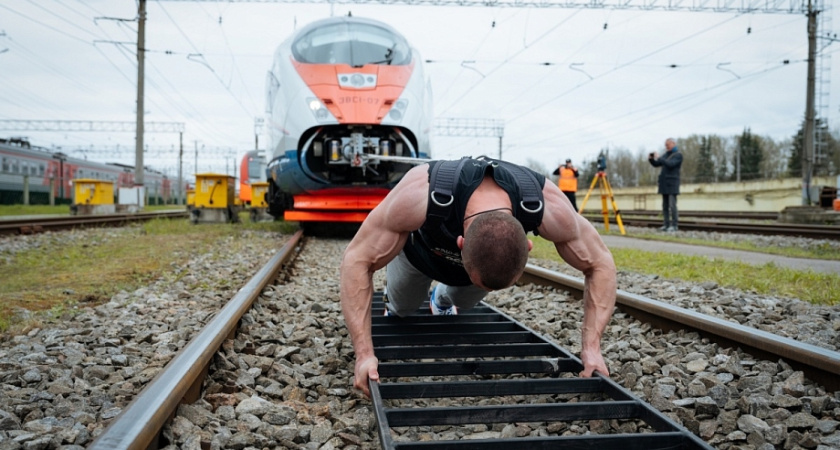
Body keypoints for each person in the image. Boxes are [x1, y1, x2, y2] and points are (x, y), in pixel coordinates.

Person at [340, 156, 617, 397]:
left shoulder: (547, 206)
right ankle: (401, 298)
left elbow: (601, 263)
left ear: (528, 245)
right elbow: (356, 259)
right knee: (403, 308)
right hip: (418, 256)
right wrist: (364, 355)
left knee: (467, 300)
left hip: (469, 270)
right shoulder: (419, 193)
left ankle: (442, 298)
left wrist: (591, 349)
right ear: (460, 243)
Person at [648, 138, 683, 231]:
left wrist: (659, 157)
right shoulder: (666, 155)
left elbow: (670, 164)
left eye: (667, 144)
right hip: (664, 184)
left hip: (672, 184)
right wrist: (651, 159)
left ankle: (674, 225)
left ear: (673, 144)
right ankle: (666, 224)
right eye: (665, 145)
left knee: (672, 205)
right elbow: (657, 164)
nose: (666, 146)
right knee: (665, 206)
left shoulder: (678, 155)